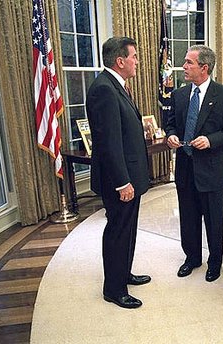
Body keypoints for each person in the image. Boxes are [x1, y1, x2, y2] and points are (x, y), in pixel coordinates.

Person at [166, 45, 223, 282]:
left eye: (189, 62)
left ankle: (214, 262)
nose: (184, 66)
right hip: (185, 168)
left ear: (204, 67)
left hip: (211, 169)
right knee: (188, 218)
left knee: (213, 219)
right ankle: (191, 258)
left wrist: (210, 140)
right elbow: (171, 124)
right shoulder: (178, 95)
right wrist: (170, 136)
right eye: (185, 61)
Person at [86, 37, 150, 309]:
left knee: (128, 230)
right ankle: (114, 289)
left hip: (130, 175)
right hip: (119, 180)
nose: (137, 61)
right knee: (117, 231)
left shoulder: (117, 85)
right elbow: (109, 143)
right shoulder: (104, 89)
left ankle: (123, 273)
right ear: (120, 61)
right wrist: (123, 182)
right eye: (134, 56)